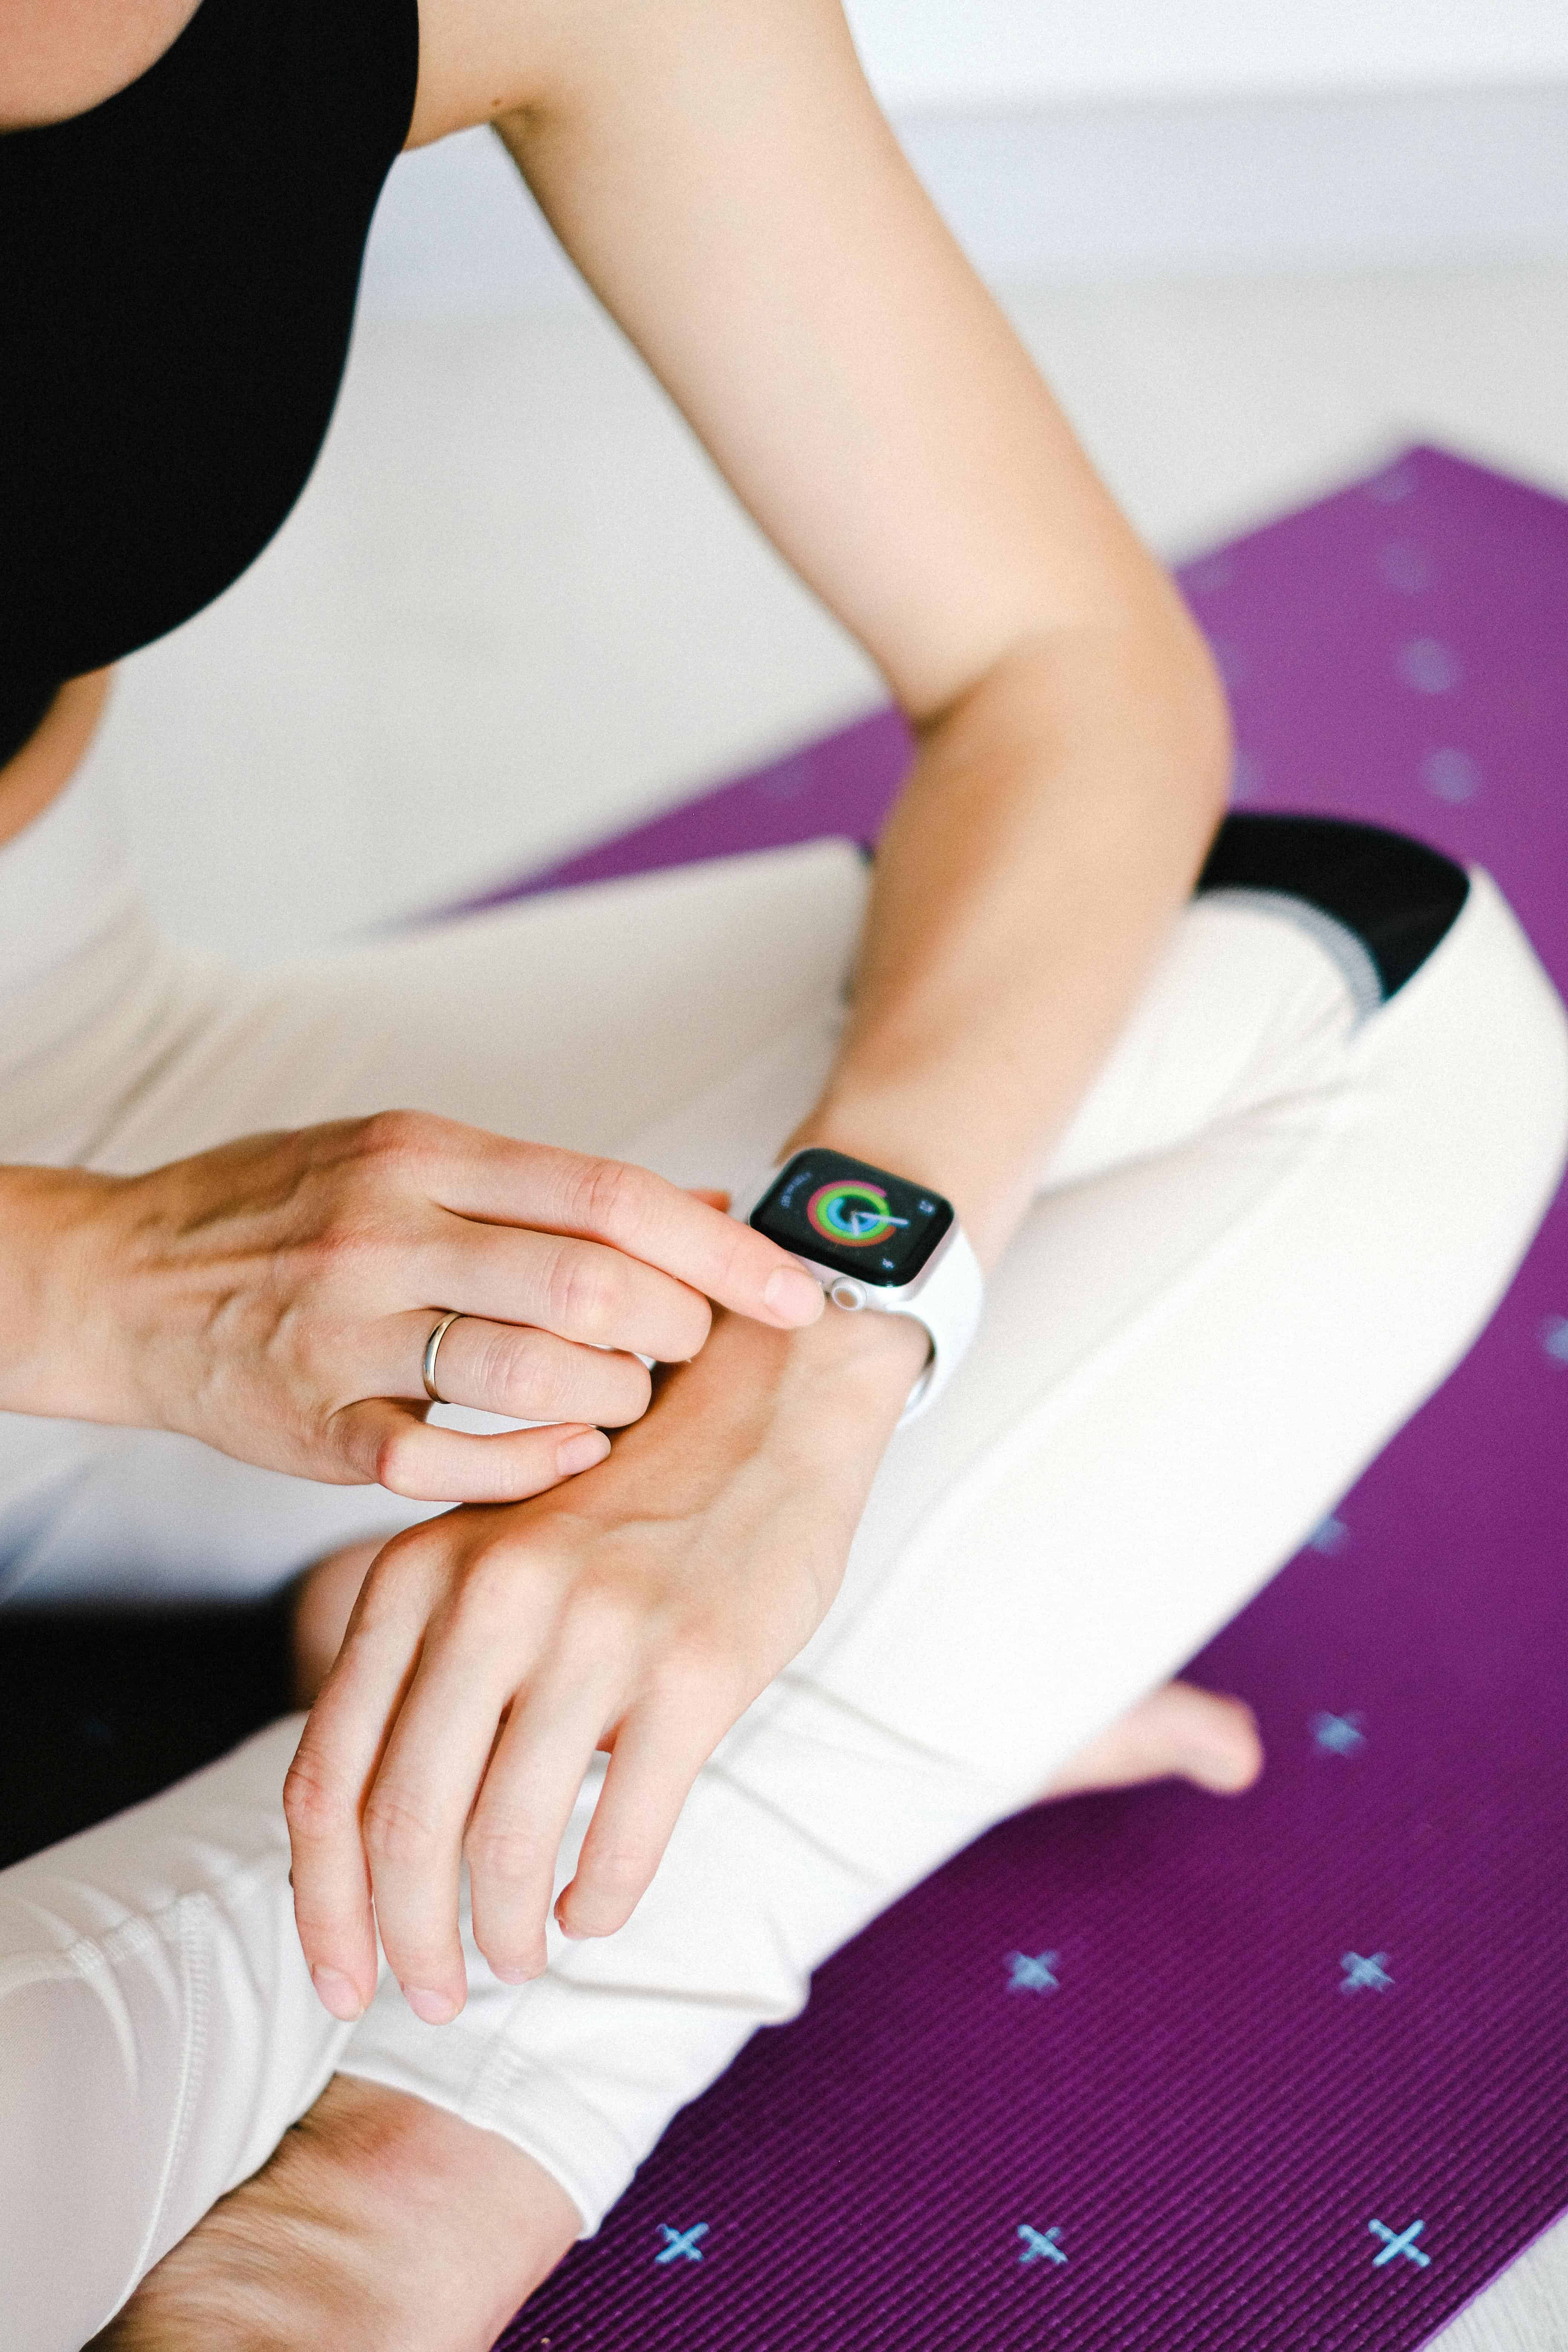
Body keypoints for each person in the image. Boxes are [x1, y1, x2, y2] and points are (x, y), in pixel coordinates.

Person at [2, 1, 1565, 2345]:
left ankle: (447, 2111)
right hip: (77, 1263)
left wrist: (834, 1343)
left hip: (77, 1045)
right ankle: (612, 1815)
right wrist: (90, 1287)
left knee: (1380, 1006)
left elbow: (1065, 665)